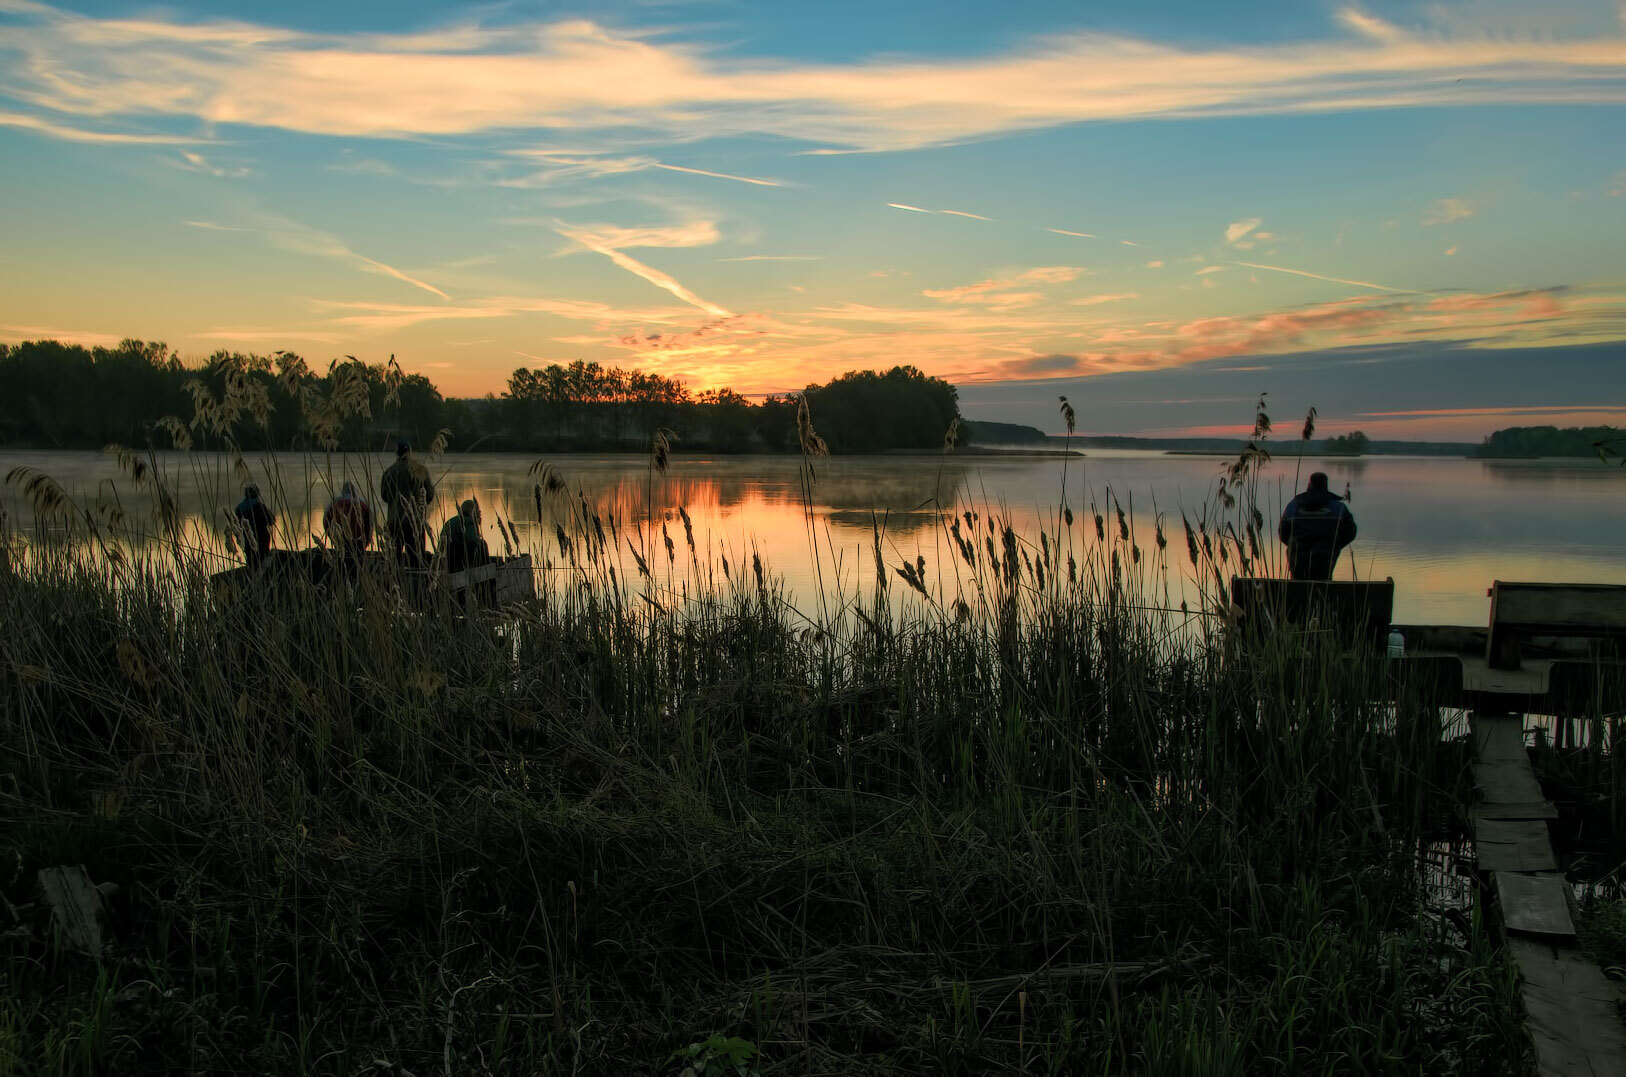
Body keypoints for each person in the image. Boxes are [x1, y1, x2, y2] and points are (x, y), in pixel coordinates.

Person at [1278, 472, 1357, 581]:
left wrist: (1294, 544)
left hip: (1297, 561)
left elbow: (1282, 533)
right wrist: (1335, 545)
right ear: (1326, 486)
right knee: (1324, 584)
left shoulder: (1293, 506)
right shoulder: (1339, 508)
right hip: (1325, 561)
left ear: (1309, 485)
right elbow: (1350, 532)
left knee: (1296, 585)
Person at [380, 439, 434, 567]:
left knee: (394, 560)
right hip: (414, 522)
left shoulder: (389, 471)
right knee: (416, 559)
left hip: (394, 521)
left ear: (397, 453)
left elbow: (384, 496)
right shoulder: (421, 470)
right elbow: (430, 495)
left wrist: (395, 503)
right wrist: (420, 504)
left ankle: (396, 583)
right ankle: (416, 583)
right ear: (409, 452)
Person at [438, 499, 491, 573]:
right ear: (471, 511)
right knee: (482, 544)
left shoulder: (452, 521)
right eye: (477, 509)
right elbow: (473, 541)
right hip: (457, 559)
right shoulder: (468, 522)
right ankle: (487, 573)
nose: (480, 512)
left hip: (447, 557)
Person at [233, 484, 275, 569]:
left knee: (252, 562)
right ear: (257, 494)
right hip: (262, 538)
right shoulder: (260, 506)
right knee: (263, 560)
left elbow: (236, 526)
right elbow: (271, 521)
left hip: (247, 540)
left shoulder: (239, 508)